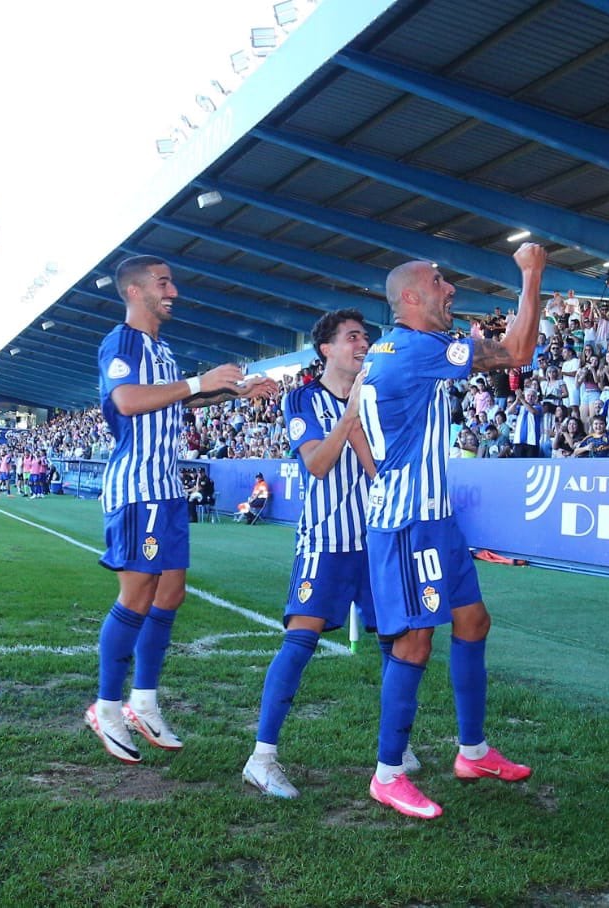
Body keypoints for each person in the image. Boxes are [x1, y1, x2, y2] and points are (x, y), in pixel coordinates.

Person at [356, 244, 543, 819]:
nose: (450, 289)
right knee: (416, 640)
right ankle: (388, 775)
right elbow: (518, 350)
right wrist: (532, 273)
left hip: (430, 517)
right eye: (439, 282)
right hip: (410, 523)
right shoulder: (415, 348)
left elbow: (361, 434)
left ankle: (473, 751)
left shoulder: (392, 352)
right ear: (410, 298)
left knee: (472, 619)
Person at [86, 254, 280, 764]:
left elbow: (174, 402)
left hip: (167, 489)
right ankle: (106, 706)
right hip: (138, 487)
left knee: (169, 594)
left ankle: (143, 701)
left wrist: (231, 393)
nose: (173, 290)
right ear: (134, 291)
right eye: (163, 282)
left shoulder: (162, 350)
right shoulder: (122, 342)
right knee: (137, 594)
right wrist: (202, 380)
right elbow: (127, 400)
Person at [244, 309, 390, 799]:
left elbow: (381, 468)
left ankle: (395, 748)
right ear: (325, 348)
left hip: (375, 540)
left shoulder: (378, 396)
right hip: (325, 542)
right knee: (300, 641)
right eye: (353, 336)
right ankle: (262, 758)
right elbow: (318, 465)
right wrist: (350, 419)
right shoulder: (303, 398)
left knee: (399, 641)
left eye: (366, 336)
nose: (363, 343)